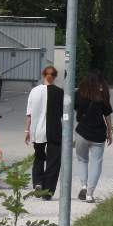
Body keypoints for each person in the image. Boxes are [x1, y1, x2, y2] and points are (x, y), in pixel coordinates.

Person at [73, 70, 113, 203]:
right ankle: (90, 193)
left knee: (82, 160)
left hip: (82, 132)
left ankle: (84, 185)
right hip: (98, 135)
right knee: (96, 162)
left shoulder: (79, 93)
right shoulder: (102, 95)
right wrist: (110, 132)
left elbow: (73, 108)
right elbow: (107, 115)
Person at [25, 65, 63, 199]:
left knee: (39, 157)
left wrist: (27, 131)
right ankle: (47, 192)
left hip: (37, 131)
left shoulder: (34, 91)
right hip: (54, 131)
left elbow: (29, 114)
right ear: (55, 77)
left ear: (43, 75)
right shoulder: (60, 92)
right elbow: (64, 114)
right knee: (53, 162)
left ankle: (38, 182)